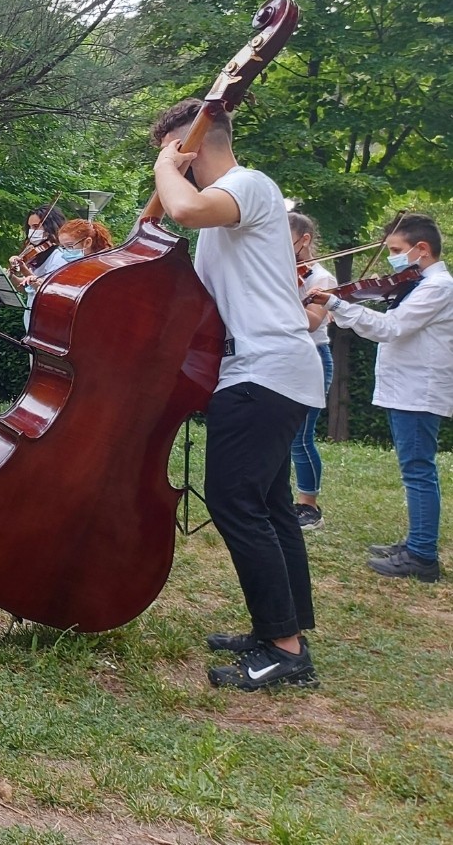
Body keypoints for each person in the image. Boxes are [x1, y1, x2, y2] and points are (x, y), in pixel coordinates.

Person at [152, 98, 324, 690]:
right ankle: (285, 626)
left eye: (174, 150)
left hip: (263, 372)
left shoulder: (248, 185)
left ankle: (285, 650)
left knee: (233, 502)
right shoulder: (231, 210)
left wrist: (165, 172)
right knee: (272, 507)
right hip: (265, 371)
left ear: (193, 145)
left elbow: (183, 207)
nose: (171, 162)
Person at [312, 213, 452, 582]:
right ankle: (416, 543)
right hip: (406, 388)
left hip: (418, 390)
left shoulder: (438, 287)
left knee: (418, 470)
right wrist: (340, 305)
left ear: (422, 249)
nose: (391, 258)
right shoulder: (419, 284)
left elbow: (392, 328)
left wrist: (338, 304)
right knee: (415, 469)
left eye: (395, 250)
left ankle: (423, 556)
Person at [288, 213, 337, 532]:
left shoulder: (322, 278)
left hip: (315, 356)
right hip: (286, 357)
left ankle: (310, 507)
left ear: (304, 239)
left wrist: (286, 293)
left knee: (301, 438)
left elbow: (311, 322)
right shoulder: (281, 272)